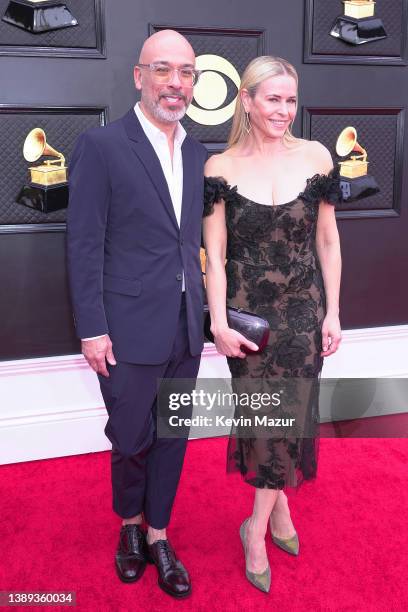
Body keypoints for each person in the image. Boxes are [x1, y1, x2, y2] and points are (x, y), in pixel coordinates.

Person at [66, 30, 207, 599]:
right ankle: (129, 527)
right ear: (139, 77)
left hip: (186, 325)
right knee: (131, 437)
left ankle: (158, 534)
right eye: (164, 70)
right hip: (124, 328)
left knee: (173, 435)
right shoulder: (101, 146)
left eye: (187, 73)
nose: (176, 84)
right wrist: (92, 328)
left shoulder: (199, 154)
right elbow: (83, 243)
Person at [203, 56, 342, 593]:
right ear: (247, 100)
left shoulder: (316, 156)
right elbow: (214, 255)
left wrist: (333, 310)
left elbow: (327, 239)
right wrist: (217, 321)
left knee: (290, 417)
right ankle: (276, 514)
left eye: (290, 100)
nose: (284, 110)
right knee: (267, 421)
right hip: (250, 320)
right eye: (272, 99)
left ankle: (255, 527)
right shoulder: (220, 167)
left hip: (303, 310)